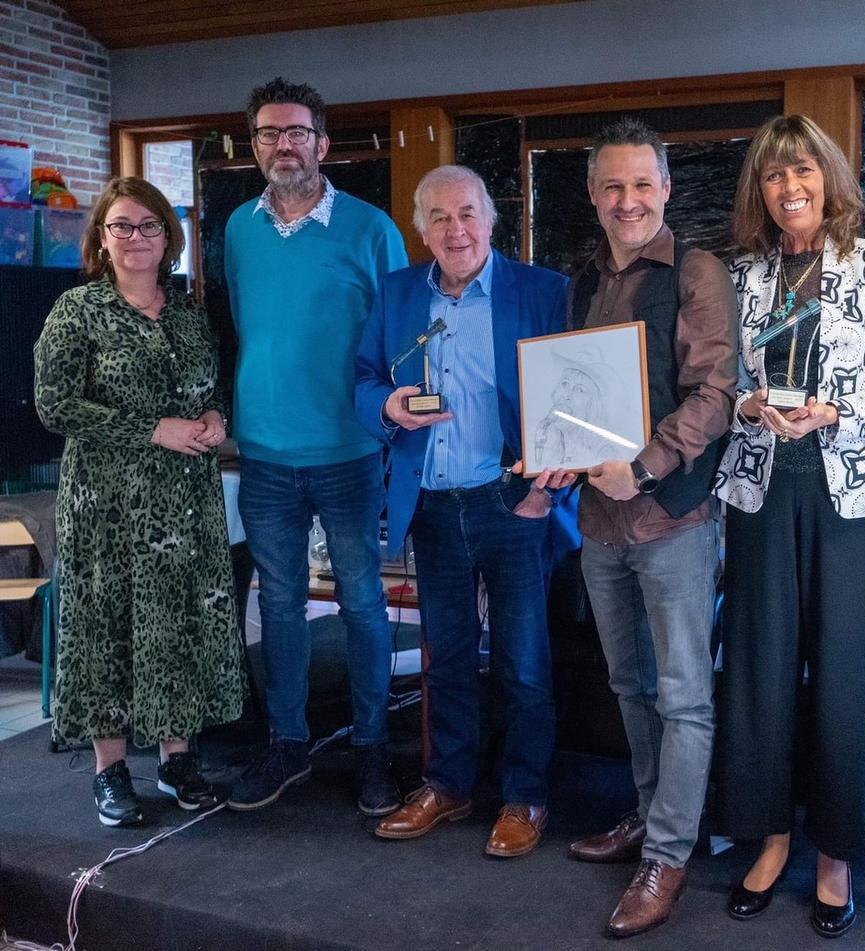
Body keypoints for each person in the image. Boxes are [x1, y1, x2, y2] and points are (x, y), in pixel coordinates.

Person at [714, 114, 865, 938]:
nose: (789, 188)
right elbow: (720, 380)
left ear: (827, 178)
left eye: (802, 172)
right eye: (773, 176)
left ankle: (835, 852)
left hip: (851, 496)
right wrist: (750, 403)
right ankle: (770, 838)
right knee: (759, 671)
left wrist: (838, 411)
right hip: (761, 492)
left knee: (840, 673)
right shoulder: (742, 275)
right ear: (759, 191)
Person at [354, 165, 572, 857]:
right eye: (440, 217)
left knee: (525, 661)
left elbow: (573, 392)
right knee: (443, 657)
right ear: (420, 229)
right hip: (432, 508)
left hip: (515, 503)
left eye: (468, 213)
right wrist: (385, 406)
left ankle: (525, 795)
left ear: (492, 218)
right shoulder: (395, 295)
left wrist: (549, 490)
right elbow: (362, 380)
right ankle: (448, 784)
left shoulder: (542, 291)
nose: (457, 229)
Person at [566, 118, 738, 938]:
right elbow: (570, 393)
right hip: (597, 525)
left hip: (671, 517)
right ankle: (647, 815)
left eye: (642, 184)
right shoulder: (583, 279)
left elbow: (714, 394)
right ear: (594, 195)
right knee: (628, 686)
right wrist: (556, 451)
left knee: (684, 698)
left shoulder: (699, 272)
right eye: (612, 186)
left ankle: (669, 853)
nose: (628, 200)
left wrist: (643, 466)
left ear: (665, 188)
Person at [34, 177, 245, 827]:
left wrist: (212, 415)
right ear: (101, 237)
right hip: (108, 508)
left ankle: (178, 758)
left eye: (148, 225)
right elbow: (56, 404)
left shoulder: (188, 313)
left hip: (186, 501)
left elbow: (213, 386)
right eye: (120, 226)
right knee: (111, 633)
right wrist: (155, 428)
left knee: (175, 626)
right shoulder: (78, 311)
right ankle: (111, 770)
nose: (135, 238)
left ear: (168, 237)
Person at [223, 77, 409, 816]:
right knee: (281, 607)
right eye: (269, 133)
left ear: (323, 144)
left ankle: (371, 748)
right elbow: (247, 322)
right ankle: (289, 743)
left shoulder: (370, 227)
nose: (283, 144)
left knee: (364, 602)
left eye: (297, 132)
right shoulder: (238, 227)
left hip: (350, 453)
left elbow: (398, 334)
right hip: (265, 456)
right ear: (255, 145)